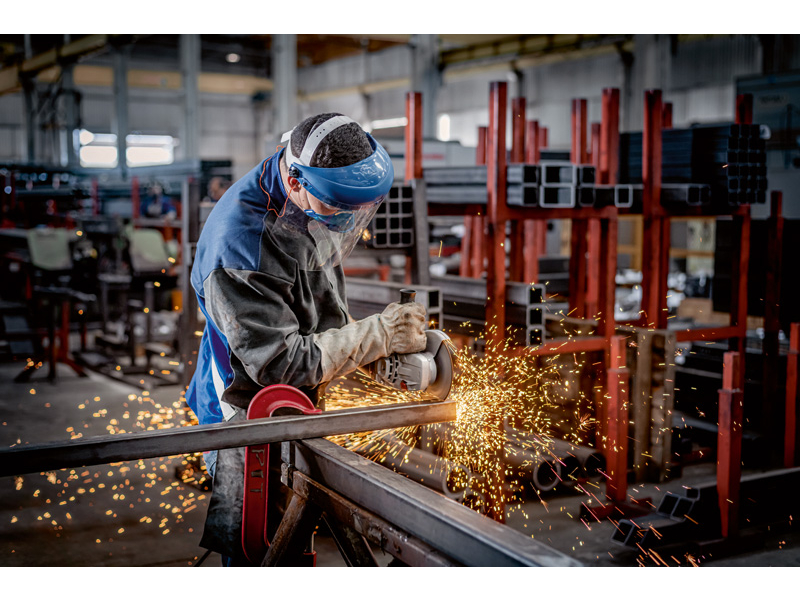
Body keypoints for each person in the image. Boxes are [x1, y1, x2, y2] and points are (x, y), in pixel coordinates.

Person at [186, 113, 427, 565]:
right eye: (338, 209)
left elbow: (319, 298)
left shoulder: (304, 197)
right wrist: (376, 334)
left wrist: (365, 348)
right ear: (296, 181)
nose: (346, 222)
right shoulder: (240, 249)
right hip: (246, 405)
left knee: (296, 533)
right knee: (260, 546)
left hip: (295, 395)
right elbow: (281, 364)